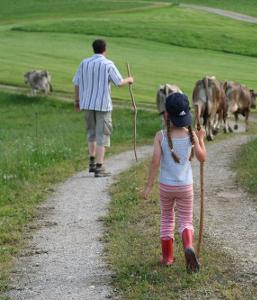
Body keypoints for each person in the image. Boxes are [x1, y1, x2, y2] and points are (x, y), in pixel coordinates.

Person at [141, 92, 206, 273]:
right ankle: (188, 245)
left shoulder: (160, 136)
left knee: (167, 217)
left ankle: (167, 257)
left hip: (166, 186)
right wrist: (201, 138)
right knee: (186, 219)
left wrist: (148, 187)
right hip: (186, 186)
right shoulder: (191, 134)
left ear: (166, 115)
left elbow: (155, 162)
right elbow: (202, 158)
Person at [73, 39, 133, 177]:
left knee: (91, 133)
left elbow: (76, 83)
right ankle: (99, 167)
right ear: (105, 49)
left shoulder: (84, 63)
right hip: (103, 105)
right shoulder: (108, 64)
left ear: (93, 49)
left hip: (87, 103)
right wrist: (129, 79)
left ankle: (92, 163)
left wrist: (77, 100)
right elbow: (119, 82)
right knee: (103, 135)